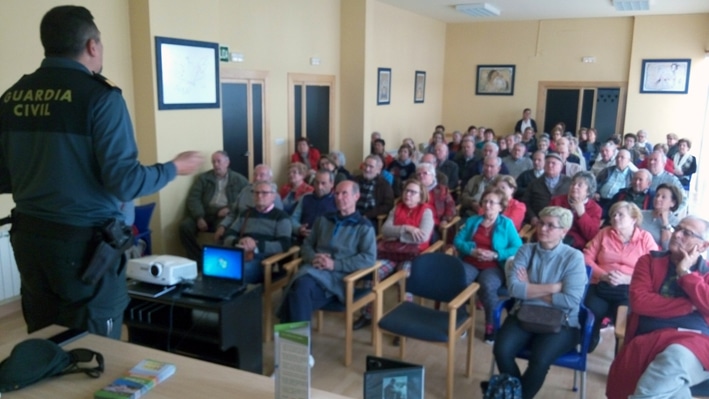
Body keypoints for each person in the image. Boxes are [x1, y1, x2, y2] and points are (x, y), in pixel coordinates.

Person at [0, 5, 203, 338]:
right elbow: (125, 183)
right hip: (82, 250)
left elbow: (3, 177)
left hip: (30, 242)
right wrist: (174, 168)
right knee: (93, 346)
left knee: (44, 340)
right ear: (92, 46)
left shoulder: (11, 98)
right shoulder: (99, 98)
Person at [607, 216, 709, 399]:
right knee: (675, 391)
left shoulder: (707, 272)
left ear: (702, 246)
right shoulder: (648, 261)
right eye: (677, 228)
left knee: (674, 358)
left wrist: (685, 274)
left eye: (687, 233)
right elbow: (640, 302)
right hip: (649, 337)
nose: (677, 234)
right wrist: (689, 306)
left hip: (696, 343)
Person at [492, 206, 587, 399]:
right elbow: (514, 289)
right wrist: (553, 288)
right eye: (541, 223)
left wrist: (530, 287)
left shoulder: (573, 257)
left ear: (564, 231)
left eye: (551, 226)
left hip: (563, 321)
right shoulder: (525, 251)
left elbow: (570, 300)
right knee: (501, 350)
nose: (543, 229)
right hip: (525, 312)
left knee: (540, 359)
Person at [279, 180, 376, 325]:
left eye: (344, 194)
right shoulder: (323, 220)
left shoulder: (364, 226)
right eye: (336, 193)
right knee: (299, 291)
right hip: (314, 270)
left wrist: (335, 264)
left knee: (297, 292)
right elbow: (307, 245)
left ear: (356, 196)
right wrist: (313, 258)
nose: (339, 197)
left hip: (340, 279)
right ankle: (297, 346)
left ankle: (294, 346)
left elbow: (368, 258)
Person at [583, 201, 658, 352]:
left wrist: (628, 279)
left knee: (626, 319)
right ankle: (590, 340)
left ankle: (620, 354)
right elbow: (586, 257)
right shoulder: (604, 233)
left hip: (629, 289)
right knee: (591, 310)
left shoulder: (645, 238)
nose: (615, 218)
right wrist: (603, 275)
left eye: (620, 215)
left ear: (633, 219)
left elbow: (655, 268)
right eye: (613, 215)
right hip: (601, 284)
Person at [455, 188, 522, 343]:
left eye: (492, 202)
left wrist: (496, 254)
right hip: (471, 260)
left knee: (487, 285)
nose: (488, 205)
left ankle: (490, 324)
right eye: (485, 201)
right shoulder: (473, 221)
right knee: (459, 281)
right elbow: (458, 241)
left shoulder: (506, 224)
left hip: (494, 265)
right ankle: (461, 318)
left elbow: (518, 247)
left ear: (500, 207)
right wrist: (471, 251)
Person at [179, 151, 248, 261]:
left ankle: (218, 261)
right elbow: (193, 198)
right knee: (185, 226)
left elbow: (246, 200)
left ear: (227, 163)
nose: (216, 165)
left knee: (222, 230)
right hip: (204, 212)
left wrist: (229, 208)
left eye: (218, 161)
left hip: (224, 215)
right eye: (213, 162)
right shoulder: (204, 178)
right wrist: (199, 217)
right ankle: (198, 259)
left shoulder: (239, 180)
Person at [223, 181, 291, 284]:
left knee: (237, 272)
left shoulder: (281, 217)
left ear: (273, 196)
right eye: (256, 192)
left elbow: (284, 245)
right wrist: (241, 241)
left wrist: (256, 246)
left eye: (264, 193)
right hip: (239, 254)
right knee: (214, 269)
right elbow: (228, 236)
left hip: (263, 261)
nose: (259, 195)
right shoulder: (245, 214)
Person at [214, 164, 283, 241]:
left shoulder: (274, 196)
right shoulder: (245, 191)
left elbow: (276, 220)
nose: (257, 178)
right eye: (255, 175)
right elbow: (233, 213)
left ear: (270, 178)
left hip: (258, 235)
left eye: (261, 175)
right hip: (238, 229)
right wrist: (222, 226)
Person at [549, 171, 602, 250]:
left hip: (575, 247)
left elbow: (592, 235)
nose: (574, 187)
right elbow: (547, 221)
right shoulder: (557, 201)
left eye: (579, 185)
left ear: (588, 191)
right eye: (573, 184)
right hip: (553, 237)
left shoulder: (595, 209)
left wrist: (582, 214)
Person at [522, 152, 571, 225]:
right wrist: (532, 217)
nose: (550, 165)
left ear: (561, 167)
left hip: (562, 222)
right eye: (547, 163)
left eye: (553, 163)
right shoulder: (534, 183)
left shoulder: (569, 182)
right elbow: (525, 202)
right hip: (539, 221)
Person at [291, 169, 337, 244]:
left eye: (323, 183)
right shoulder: (305, 197)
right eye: (317, 182)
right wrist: (299, 229)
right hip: (304, 241)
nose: (319, 187)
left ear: (331, 184)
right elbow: (293, 219)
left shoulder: (337, 201)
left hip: (327, 244)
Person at [355, 155, 394, 229]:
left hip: (370, 218)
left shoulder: (384, 185)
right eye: (365, 165)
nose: (367, 169)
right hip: (352, 213)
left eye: (371, 166)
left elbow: (387, 206)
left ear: (378, 170)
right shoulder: (355, 180)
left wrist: (368, 215)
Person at [640, 183, 682, 250]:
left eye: (663, 197)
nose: (658, 199)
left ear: (673, 203)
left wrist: (665, 222)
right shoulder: (641, 214)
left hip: (655, 256)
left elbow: (667, 247)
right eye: (657, 195)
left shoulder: (676, 223)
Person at [594, 148, 634, 217]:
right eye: (617, 157)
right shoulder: (607, 170)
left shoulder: (632, 175)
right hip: (600, 199)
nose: (618, 159)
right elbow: (596, 183)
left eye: (622, 157)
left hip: (617, 203)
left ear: (629, 161)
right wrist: (595, 192)